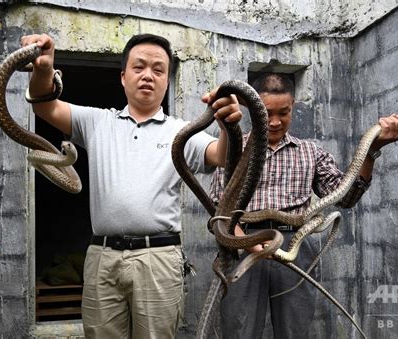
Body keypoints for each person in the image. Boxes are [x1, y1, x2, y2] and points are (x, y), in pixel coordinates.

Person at [20, 33, 242, 339]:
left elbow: (221, 154)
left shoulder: (182, 132)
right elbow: (45, 107)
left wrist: (228, 125)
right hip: (103, 256)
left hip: (159, 258)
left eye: (158, 69)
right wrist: (43, 70)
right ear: (123, 77)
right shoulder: (97, 122)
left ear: (167, 80)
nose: (148, 75)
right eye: (139, 67)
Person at [209, 73, 398, 338]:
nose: (276, 121)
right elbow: (217, 211)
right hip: (241, 243)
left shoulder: (310, 152)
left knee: (294, 330)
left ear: (293, 105)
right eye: (267, 113)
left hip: (294, 247)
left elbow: (345, 197)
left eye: (284, 112)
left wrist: (372, 151)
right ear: (253, 109)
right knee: (239, 330)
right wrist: (245, 242)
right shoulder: (231, 149)